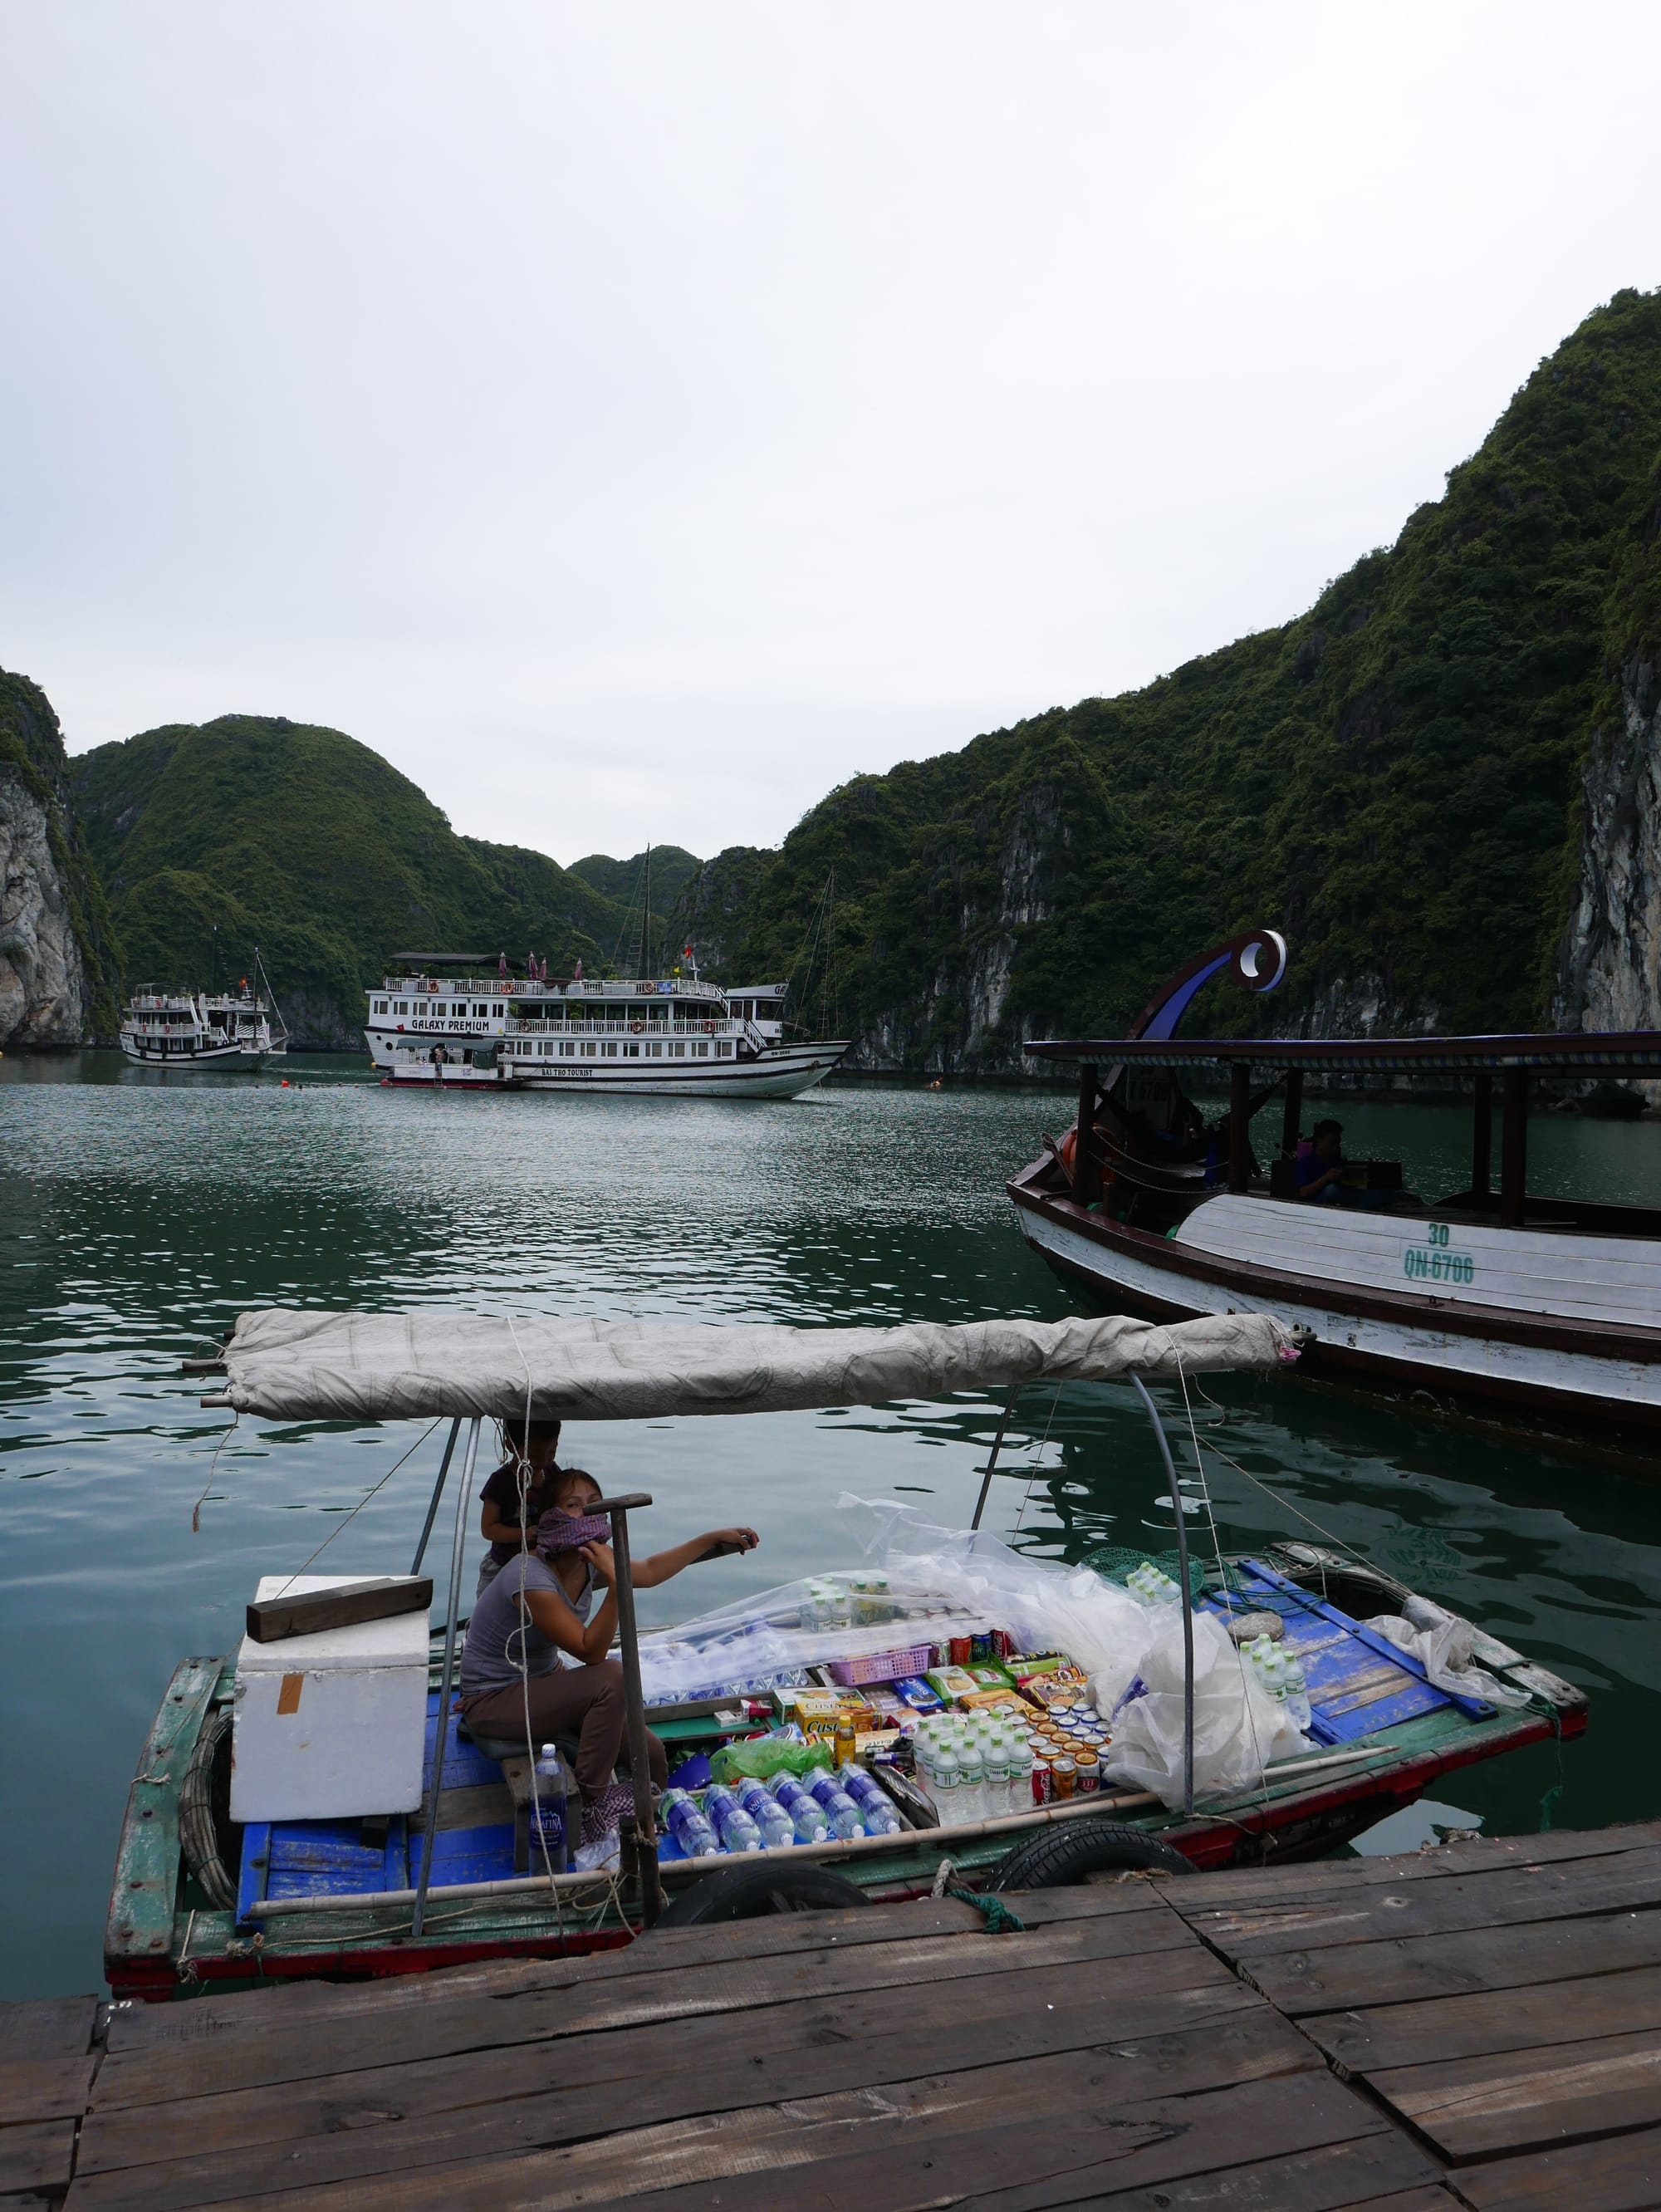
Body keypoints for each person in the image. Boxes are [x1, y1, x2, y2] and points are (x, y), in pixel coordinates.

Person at [458, 1469, 760, 1852]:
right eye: (573, 1506)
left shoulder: (586, 1562)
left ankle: (657, 1827)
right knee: (611, 1676)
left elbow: (648, 1572)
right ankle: (589, 1804)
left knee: (649, 1752)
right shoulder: (528, 1575)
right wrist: (617, 1584)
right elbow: (590, 1651)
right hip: (494, 1698)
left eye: (593, 1506)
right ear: (549, 1518)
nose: (586, 1515)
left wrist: (710, 1539)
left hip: (542, 1682)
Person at [476, 1419, 564, 1595]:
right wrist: (523, 1534)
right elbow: (488, 1528)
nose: (544, 1461)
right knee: (493, 1607)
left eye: (552, 1451)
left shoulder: (552, 1473)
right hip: (502, 1564)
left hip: (541, 1562)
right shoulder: (500, 1483)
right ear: (510, 1446)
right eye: (535, 1455)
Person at [1295, 1119, 1348, 1202]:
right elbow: (1303, 1192)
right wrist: (1326, 1178)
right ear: (1319, 1140)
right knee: (1332, 1190)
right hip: (1317, 1204)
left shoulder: (1337, 1161)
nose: (1336, 1147)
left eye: (1338, 1144)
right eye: (1332, 1143)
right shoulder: (1305, 1163)